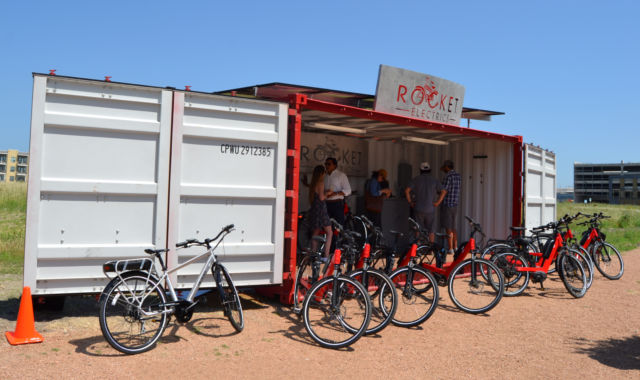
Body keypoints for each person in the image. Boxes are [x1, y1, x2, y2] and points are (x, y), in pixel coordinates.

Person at [405, 161, 446, 242]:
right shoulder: (434, 180)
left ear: (420, 170)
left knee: (418, 229)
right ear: (430, 170)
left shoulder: (416, 179)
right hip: (430, 208)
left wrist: (410, 202)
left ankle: (418, 247)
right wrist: (437, 202)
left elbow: (407, 190)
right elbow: (444, 191)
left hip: (418, 208)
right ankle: (431, 249)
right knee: (431, 230)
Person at [306, 165, 332, 258]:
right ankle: (326, 255)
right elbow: (322, 198)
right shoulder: (321, 183)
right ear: (322, 173)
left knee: (315, 233)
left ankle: (313, 254)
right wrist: (327, 194)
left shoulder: (313, 183)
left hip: (315, 209)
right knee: (329, 232)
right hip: (321, 210)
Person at [440, 160, 461, 254]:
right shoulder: (458, 176)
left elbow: (444, 190)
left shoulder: (448, 176)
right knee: (453, 226)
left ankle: (450, 248)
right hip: (455, 204)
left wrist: (438, 201)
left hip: (447, 203)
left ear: (447, 167)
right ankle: (455, 247)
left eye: (444, 167)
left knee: (448, 227)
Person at [323, 157, 351, 226]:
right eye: (325, 164)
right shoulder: (324, 176)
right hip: (326, 204)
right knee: (327, 226)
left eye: (329, 164)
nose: (326, 166)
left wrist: (334, 194)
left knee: (338, 226)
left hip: (337, 204)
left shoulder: (341, 175)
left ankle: (338, 237)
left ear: (335, 165)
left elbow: (348, 190)